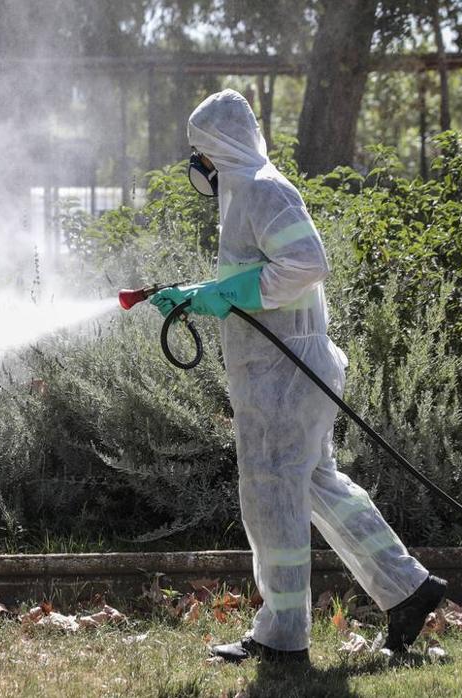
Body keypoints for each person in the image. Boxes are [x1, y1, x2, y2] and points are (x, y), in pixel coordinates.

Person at [151, 89, 446, 664]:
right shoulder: (245, 194)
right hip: (281, 371)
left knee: (272, 496)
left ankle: (283, 638)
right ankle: (409, 589)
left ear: (221, 146)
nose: (197, 164)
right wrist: (199, 296)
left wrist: (223, 295)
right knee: (314, 484)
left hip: (283, 374)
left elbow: (307, 264)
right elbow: (258, 272)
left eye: (200, 150)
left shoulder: (263, 190)